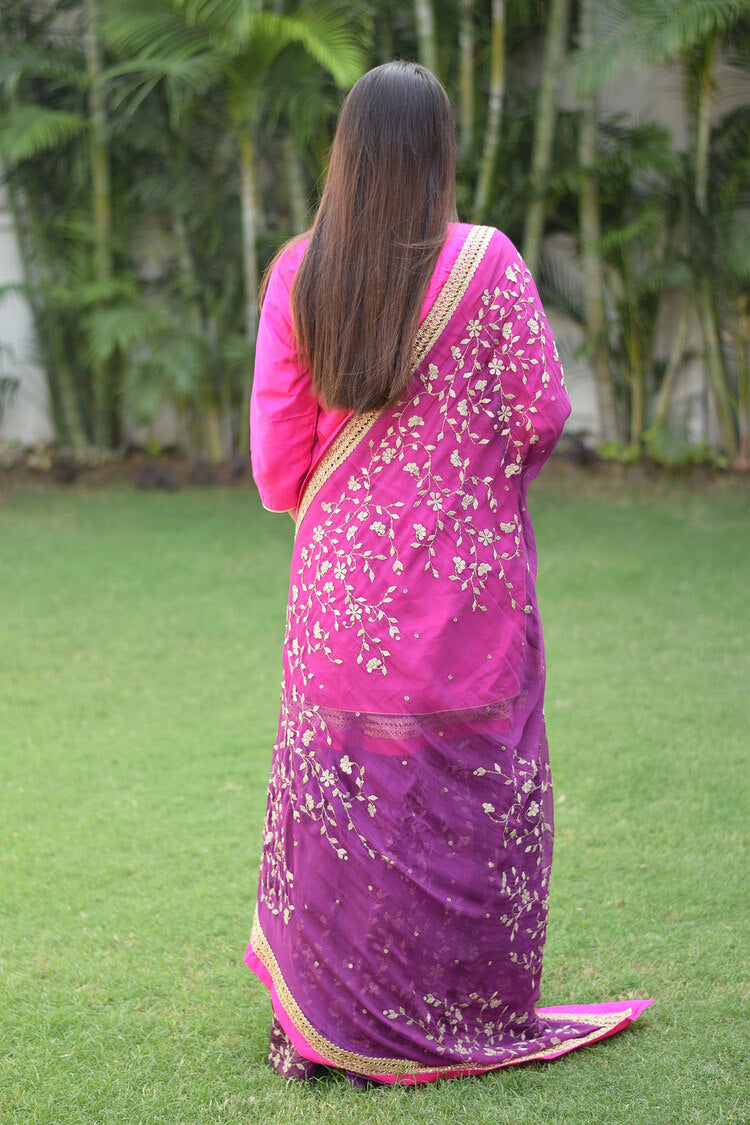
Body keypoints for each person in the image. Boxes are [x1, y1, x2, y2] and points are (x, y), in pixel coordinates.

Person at [246, 60, 652, 1086]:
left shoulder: (302, 270)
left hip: (340, 595)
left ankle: (325, 1027)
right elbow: (541, 414)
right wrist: (461, 479)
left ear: (346, 150)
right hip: (466, 591)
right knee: (463, 795)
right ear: (440, 155)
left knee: (349, 805)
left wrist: (359, 503)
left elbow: (275, 468)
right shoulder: (491, 263)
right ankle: (456, 1009)